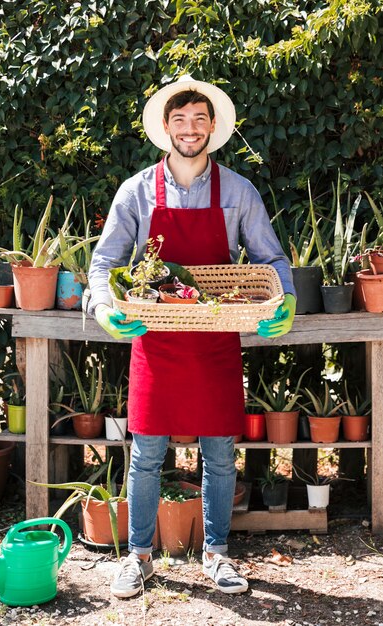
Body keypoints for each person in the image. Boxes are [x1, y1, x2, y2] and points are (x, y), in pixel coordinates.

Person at [88, 75, 297, 598]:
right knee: (145, 454)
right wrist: (106, 309)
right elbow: (104, 263)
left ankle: (217, 554)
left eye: (199, 119)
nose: (190, 129)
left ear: (213, 127)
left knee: (221, 454)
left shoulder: (239, 190)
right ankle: (138, 557)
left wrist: (286, 300)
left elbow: (270, 257)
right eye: (180, 120)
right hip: (155, 340)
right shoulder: (135, 191)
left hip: (215, 339)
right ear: (166, 128)